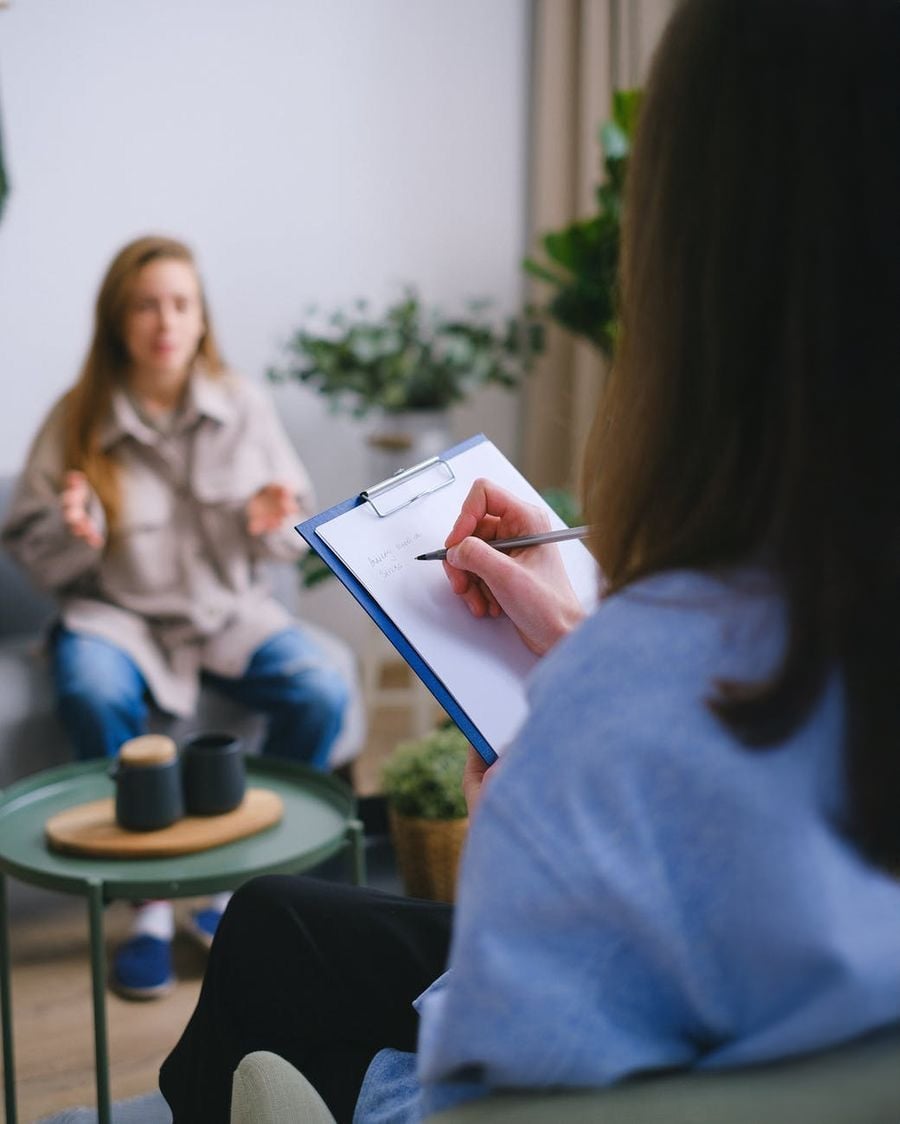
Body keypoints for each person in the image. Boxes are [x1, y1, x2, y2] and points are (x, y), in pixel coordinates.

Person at [159, 0, 900, 1119]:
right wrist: (585, 643)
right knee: (279, 914)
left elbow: (487, 1092)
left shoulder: (615, 733)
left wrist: (522, 816)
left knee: (272, 970)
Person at [2, 235, 349, 999]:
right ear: (117, 321)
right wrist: (73, 530)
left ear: (201, 319)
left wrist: (270, 523)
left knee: (323, 691)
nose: (165, 320)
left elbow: (290, 540)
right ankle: (149, 907)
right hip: (117, 618)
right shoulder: (78, 415)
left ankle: (239, 893)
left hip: (226, 616)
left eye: (180, 303)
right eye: (146, 305)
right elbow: (31, 548)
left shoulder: (244, 404)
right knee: (89, 686)